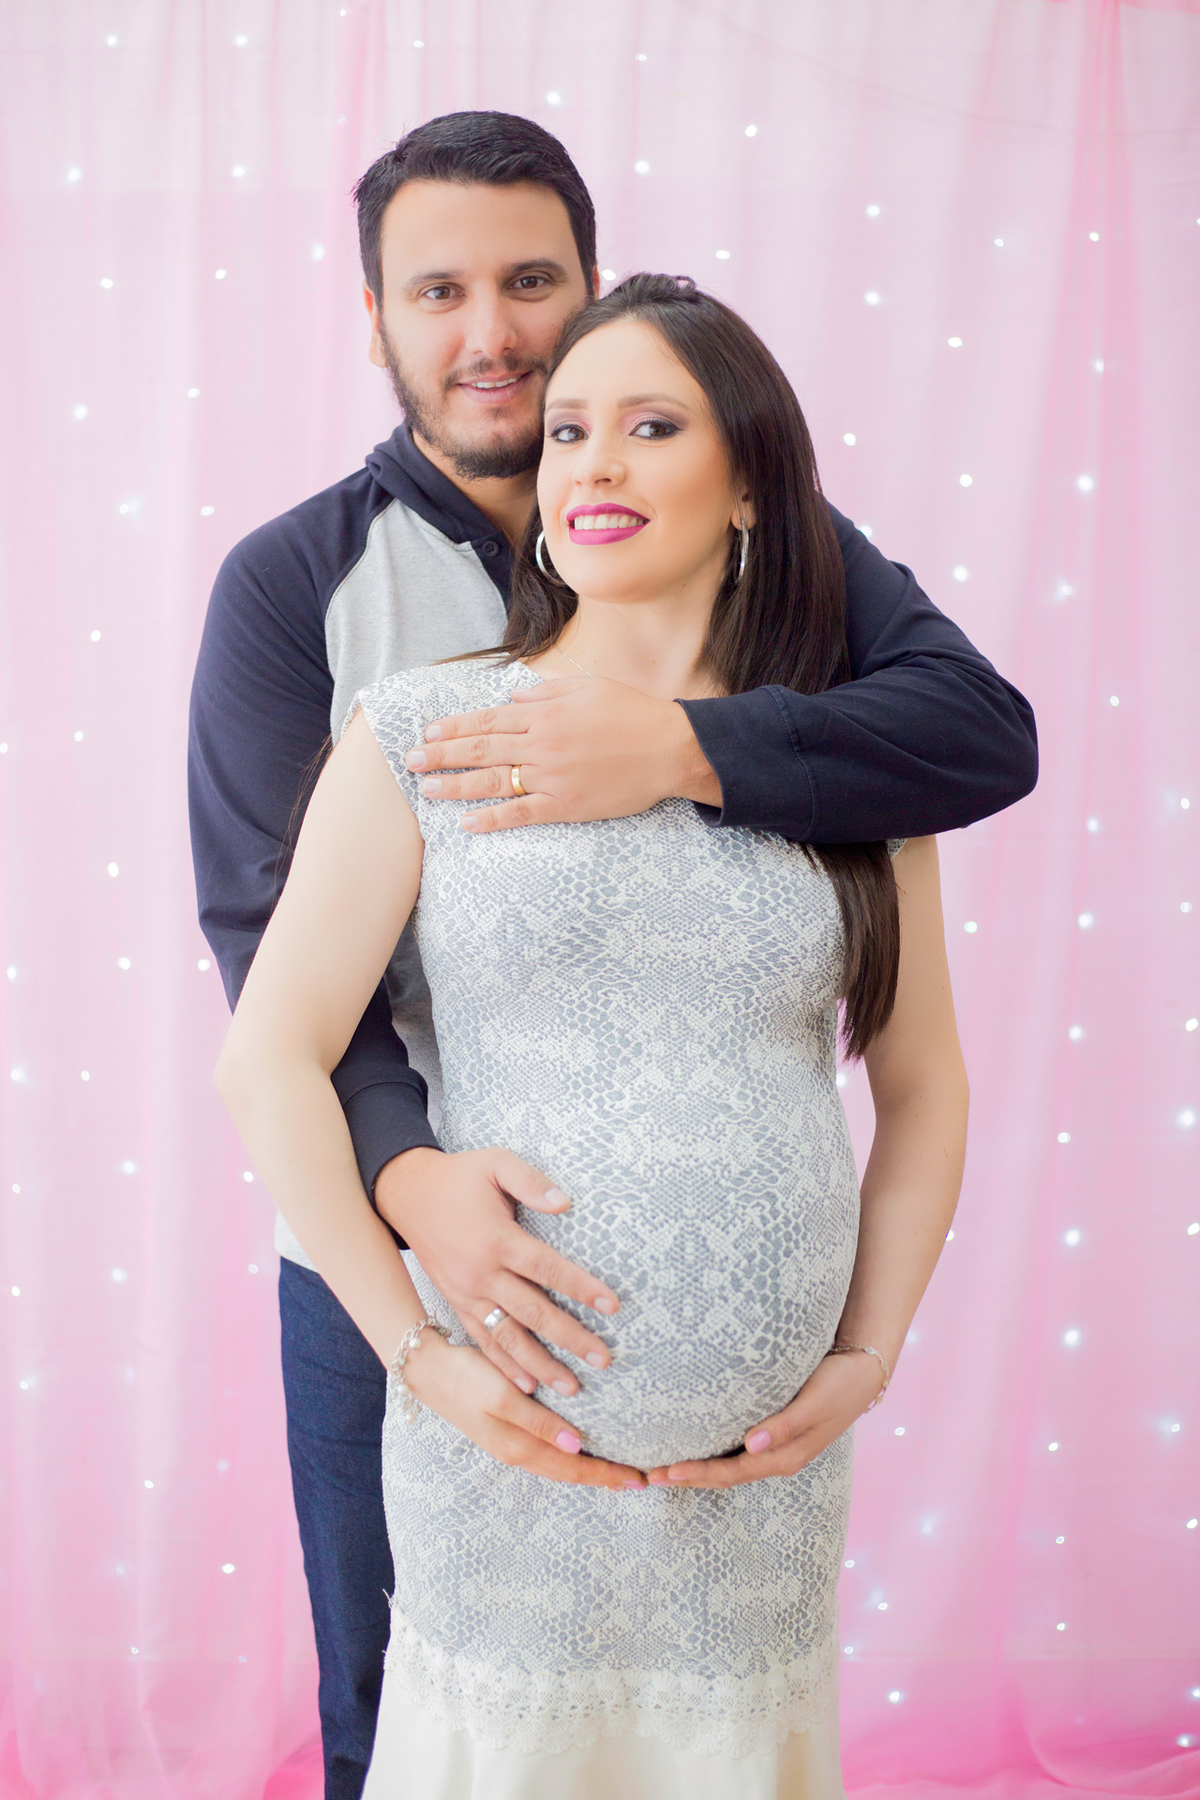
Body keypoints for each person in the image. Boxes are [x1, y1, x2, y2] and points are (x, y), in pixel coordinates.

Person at [189, 113, 1031, 1797]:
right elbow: (271, 989)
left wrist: (680, 749)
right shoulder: (318, 609)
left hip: (757, 1473)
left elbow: (977, 744)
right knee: (391, 1712)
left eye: (530, 286)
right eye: (436, 290)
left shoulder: (824, 651)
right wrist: (412, 1203)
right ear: (376, 318)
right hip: (422, 1287)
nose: (491, 335)